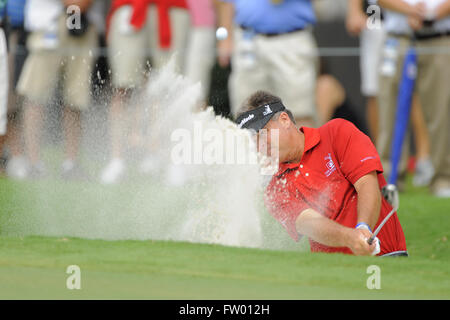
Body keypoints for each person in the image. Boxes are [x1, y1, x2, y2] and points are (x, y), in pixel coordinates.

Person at [235, 91, 408, 256]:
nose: (260, 146)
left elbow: (366, 184)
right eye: (253, 141)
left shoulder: (337, 132)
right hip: (334, 274)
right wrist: (350, 238)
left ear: (284, 120)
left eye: (262, 135)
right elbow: (309, 223)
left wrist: (364, 228)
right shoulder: (275, 189)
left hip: (387, 256)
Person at [101, 0, 191, 184]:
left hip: (171, 6)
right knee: (122, 86)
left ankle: (174, 161)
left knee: (171, 90)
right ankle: (117, 161)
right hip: (129, 6)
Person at [16, 0, 100, 179]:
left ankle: (71, 164)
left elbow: (82, 5)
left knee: (76, 98)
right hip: (49, 24)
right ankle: (33, 163)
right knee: (36, 95)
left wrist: (79, 3)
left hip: (82, 24)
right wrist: (75, 2)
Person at [378, 0, 450, 196]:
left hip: (439, 37)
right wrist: (411, 10)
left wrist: (432, 15)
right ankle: (390, 178)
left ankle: (443, 178)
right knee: (390, 111)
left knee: (441, 110)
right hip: (398, 38)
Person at [216, 0, 319, 127]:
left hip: (291, 40)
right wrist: (224, 35)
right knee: (246, 117)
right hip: (247, 40)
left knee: (300, 114)